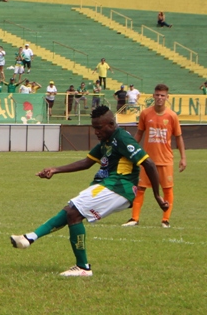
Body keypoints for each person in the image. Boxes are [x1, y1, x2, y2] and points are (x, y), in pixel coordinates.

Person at [10, 106, 166, 276]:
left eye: (99, 127)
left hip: (119, 187)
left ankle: (83, 267)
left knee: (74, 212)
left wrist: (157, 195)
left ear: (112, 123)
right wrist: (55, 170)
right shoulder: (106, 141)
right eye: (94, 127)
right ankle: (30, 238)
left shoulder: (122, 138)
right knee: (71, 211)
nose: (96, 131)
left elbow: (149, 163)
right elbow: (86, 162)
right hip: (109, 185)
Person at [123, 84, 186, 228]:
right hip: (147, 160)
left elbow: (179, 137)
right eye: (157, 95)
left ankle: (165, 220)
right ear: (153, 96)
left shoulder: (172, 116)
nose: (159, 98)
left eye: (162, 95)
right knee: (140, 188)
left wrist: (183, 158)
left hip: (165, 160)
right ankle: (134, 218)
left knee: (167, 189)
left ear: (167, 97)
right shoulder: (145, 114)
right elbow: (139, 133)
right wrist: (129, 150)